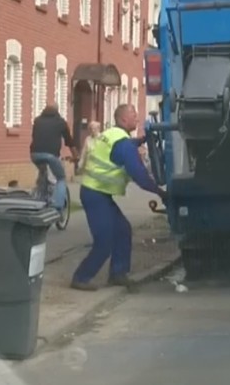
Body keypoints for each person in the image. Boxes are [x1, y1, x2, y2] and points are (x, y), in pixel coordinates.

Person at [71, 104, 166, 291]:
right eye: (134, 116)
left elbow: (123, 147)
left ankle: (118, 274)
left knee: (123, 230)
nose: (137, 119)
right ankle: (81, 277)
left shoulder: (113, 134)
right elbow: (139, 176)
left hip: (96, 193)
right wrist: (161, 193)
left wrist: (142, 140)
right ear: (123, 120)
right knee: (104, 240)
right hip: (95, 194)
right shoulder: (122, 143)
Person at [30, 103, 79, 210]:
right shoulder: (60, 122)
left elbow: (34, 137)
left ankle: (38, 198)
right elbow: (69, 142)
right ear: (57, 112)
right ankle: (58, 206)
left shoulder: (37, 121)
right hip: (51, 155)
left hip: (34, 154)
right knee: (60, 178)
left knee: (43, 174)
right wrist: (75, 157)